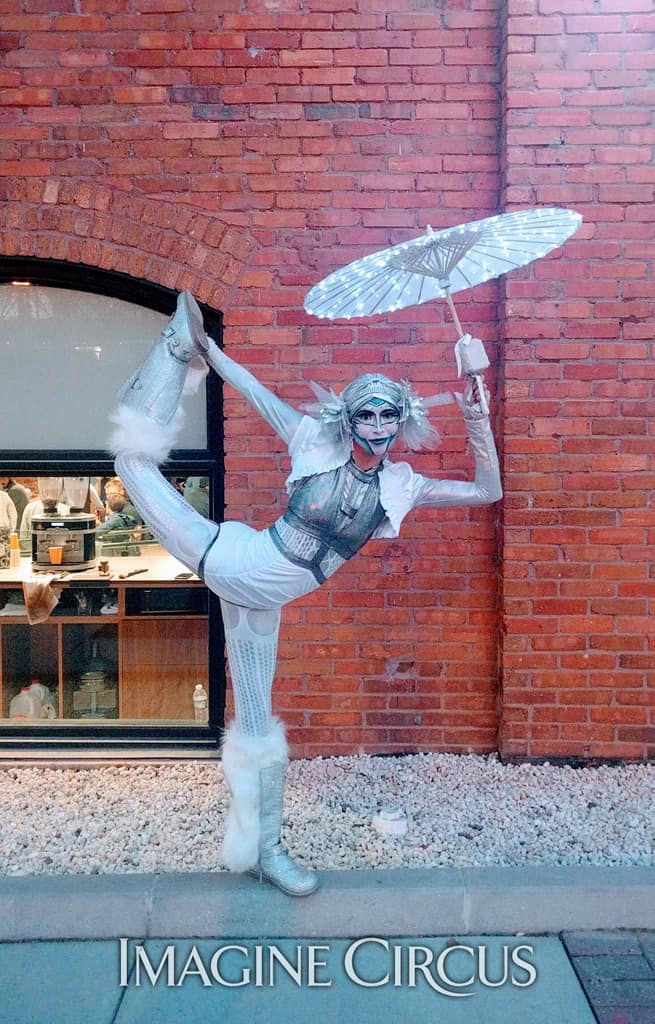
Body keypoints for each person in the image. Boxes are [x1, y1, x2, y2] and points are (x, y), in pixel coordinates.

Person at [109, 291, 502, 898]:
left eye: (388, 416)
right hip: (231, 562)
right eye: (366, 415)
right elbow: (256, 393)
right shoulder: (313, 442)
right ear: (349, 419)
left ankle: (260, 852)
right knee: (132, 464)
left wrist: (478, 414)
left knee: (258, 724)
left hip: (264, 596)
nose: (377, 427)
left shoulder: (403, 485)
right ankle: (174, 345)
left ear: (401, 421)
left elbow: (486, 492)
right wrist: (208, 350)